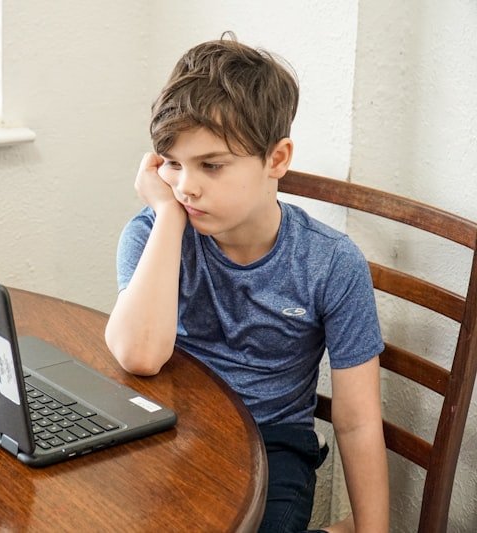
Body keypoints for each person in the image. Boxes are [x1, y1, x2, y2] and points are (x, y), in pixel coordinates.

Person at [104, 33, 389, 533]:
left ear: (276, 160)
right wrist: (169, 215)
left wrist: (373, 529)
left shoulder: (331, 264)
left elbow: (358, 419)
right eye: (172, 163)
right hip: (169, 429)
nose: (186, 184)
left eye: (211, 165)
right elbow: (139, 355)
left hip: (273, 444)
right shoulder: (152, 233)